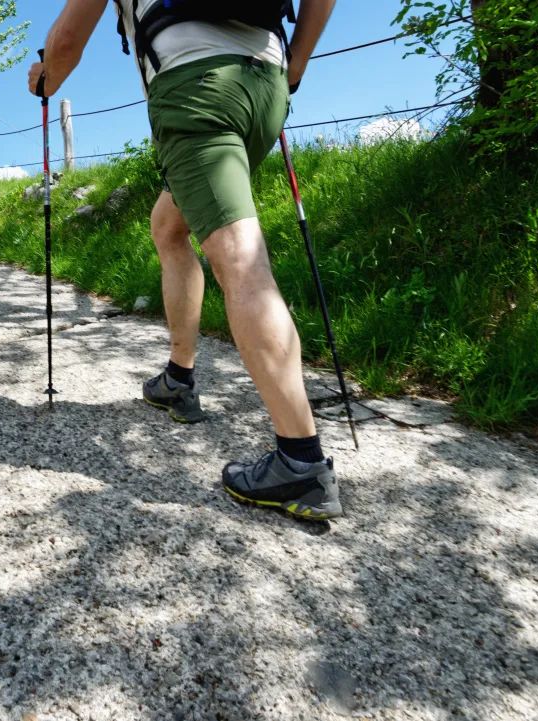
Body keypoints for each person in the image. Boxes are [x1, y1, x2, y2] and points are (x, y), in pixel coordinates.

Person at [29, 0, 342, 520]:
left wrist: (43, 78)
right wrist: (296, 65)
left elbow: (64, 45)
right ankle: (178, 379)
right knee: (169, 226)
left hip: (197, 89)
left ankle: (301, 462)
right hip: (266, 86)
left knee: (238, 257)